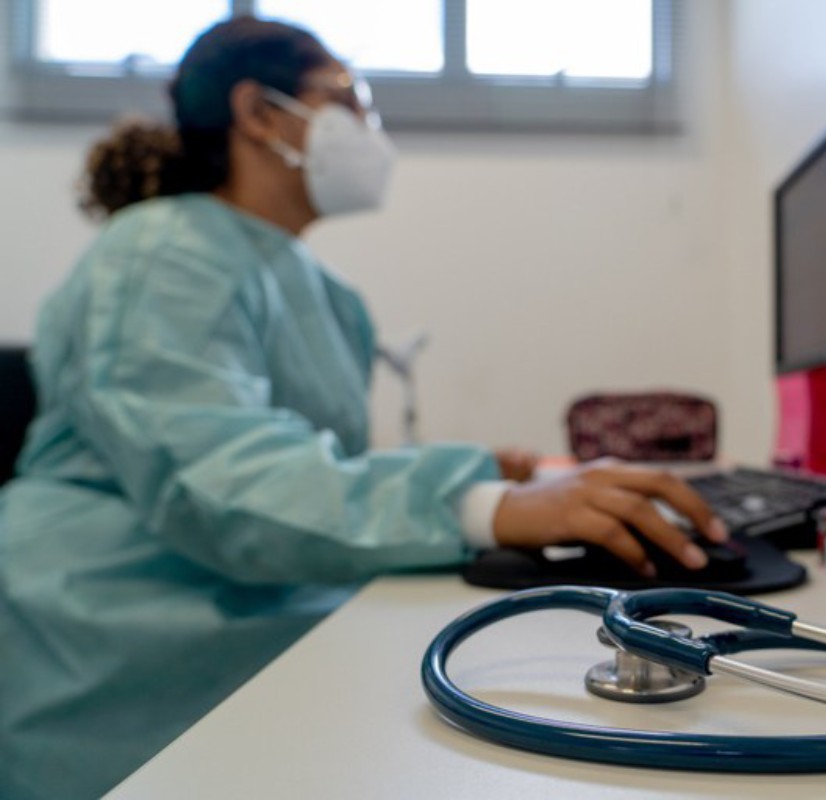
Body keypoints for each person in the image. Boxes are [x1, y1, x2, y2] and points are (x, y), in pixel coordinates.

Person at [0, 17, 726, 799]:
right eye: (351, 99)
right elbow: (219, 479)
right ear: (259, 113)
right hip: (131, 641)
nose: (370, 129)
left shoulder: (317, 290)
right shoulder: (158, 252)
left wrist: (482, 470)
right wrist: (487, 504)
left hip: (256, 600)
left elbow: (306, 469)